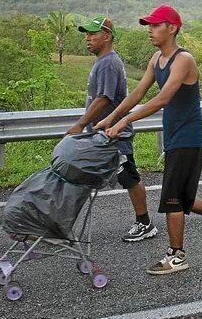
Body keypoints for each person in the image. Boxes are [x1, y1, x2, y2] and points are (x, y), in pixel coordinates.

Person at [95, 5, 202, 275]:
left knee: (172, 197)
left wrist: (125, 121)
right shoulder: (156, 59)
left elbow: (163, 99)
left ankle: (177, 256)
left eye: (155, 25)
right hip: (175, 135)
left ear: (172, 28)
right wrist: (112, 117)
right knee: (183, 198)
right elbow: (138, 93)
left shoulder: (183, 59)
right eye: (148, 26)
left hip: (189, 136)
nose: (150, 30)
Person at [66, 16, 157, 243]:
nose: (87, 38)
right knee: (83, 176)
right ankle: (64, 224)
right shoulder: (103, 61)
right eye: (86, 34)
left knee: (129, 177)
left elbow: (104, 99)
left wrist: (79, 123)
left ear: (107, 36)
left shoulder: (108, 63)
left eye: (93, 34)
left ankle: (145, 223)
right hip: (100, 135)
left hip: (114, 135)